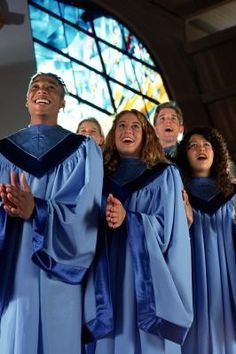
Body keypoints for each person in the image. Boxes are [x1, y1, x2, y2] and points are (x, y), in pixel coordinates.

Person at [0, 72, 104, 354]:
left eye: (51, 87)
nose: (41, 90)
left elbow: (88, 215)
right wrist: (7, 207)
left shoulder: (83, 150)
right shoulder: (3, 151)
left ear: (63, 102)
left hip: (60, 268)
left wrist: (37, 209)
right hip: (13, 266)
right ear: (26, 100)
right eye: (35, 86)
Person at [87, 109, 193, 354]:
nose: (128, 131)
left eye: (135, 126)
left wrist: (130, 219)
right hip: (109, 270)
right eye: (122, 126)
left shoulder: (165, 175)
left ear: (146, 135)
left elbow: (170, 230)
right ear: (113, 135)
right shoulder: (99, 178)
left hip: (149, 278)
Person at [176, 127, 236, 354]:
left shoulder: (233, 192)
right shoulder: (177, 193)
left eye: (207, 145)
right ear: (184, 155)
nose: (201, 149)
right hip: (191, 274)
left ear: (217, 153)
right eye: (193, 145)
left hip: (229, 278)